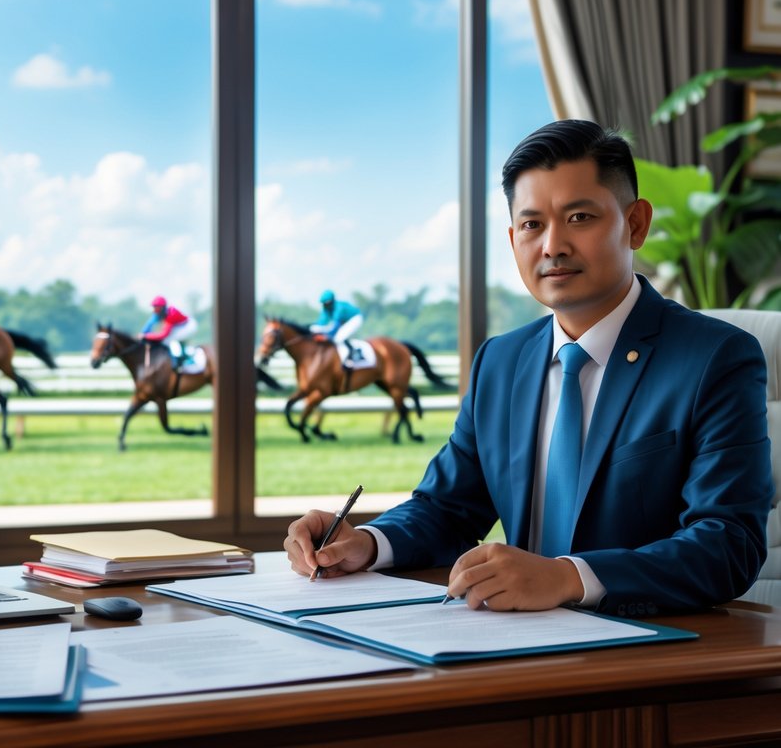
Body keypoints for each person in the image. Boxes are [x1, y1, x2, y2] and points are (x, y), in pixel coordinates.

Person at [284, 119, 771, 616]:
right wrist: (365, 542)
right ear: (514, 236)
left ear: (636, 224)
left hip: (645, 652)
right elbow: (447, 508)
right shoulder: (501, 360)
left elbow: (728, 542)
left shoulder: (715, 358)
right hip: (512, 642)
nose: (552, 246)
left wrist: (566, 578)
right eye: (532, 224)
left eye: (579, 218)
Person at [141, 296, 198, 369]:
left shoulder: (171, 314)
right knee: (168, 339)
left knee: (166, 340)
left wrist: (146, 336)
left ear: (161, 307)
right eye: (153, 307)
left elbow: (163, 335)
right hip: (180, 325)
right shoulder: (158, 313)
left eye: (155, 307)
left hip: (188, 326)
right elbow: (149, 325)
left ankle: (179, 361)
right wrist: (143, 334)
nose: (153, 309)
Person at [310, 289, 364, 363]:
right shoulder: (326, 308)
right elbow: (320, 323)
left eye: (326, 303)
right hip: (344, 321)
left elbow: (334, 327)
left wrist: (326, 336)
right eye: (323, 304)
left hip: (355, 319)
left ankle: (355, 354)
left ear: (331, 301)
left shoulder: (339, 308)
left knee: (338, 338)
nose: (325, 305)